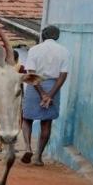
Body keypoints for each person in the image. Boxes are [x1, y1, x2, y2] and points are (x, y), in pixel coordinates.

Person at [21, 26, 69, 166]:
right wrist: (49, 95)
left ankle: (27, 147)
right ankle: (38, 157)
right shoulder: (64, 51)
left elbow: (31, 71)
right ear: (57, 36)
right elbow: (63, 75)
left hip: (34, 86)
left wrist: (41, 93)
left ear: (42, 35)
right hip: (53, 86)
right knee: (46, 123)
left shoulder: (34, 50)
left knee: (27, 119)